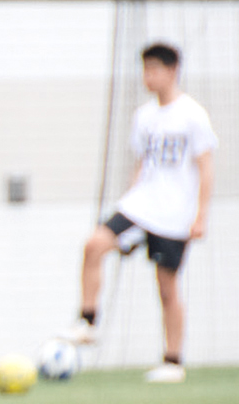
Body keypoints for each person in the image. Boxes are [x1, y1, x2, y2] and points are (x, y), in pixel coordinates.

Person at [64, 42, 216, 382]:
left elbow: (205, 166)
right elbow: (141, 163)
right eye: (145, 70)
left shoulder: (192, 115)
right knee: (94, 244)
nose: (148, 77)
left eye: (154, 70)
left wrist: (201, 216)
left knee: (167, 287)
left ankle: (172, 361)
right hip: (142, 205)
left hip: (173, 213)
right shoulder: (144, 116)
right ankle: (87, 321)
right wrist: (129, 199)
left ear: (172, 71)